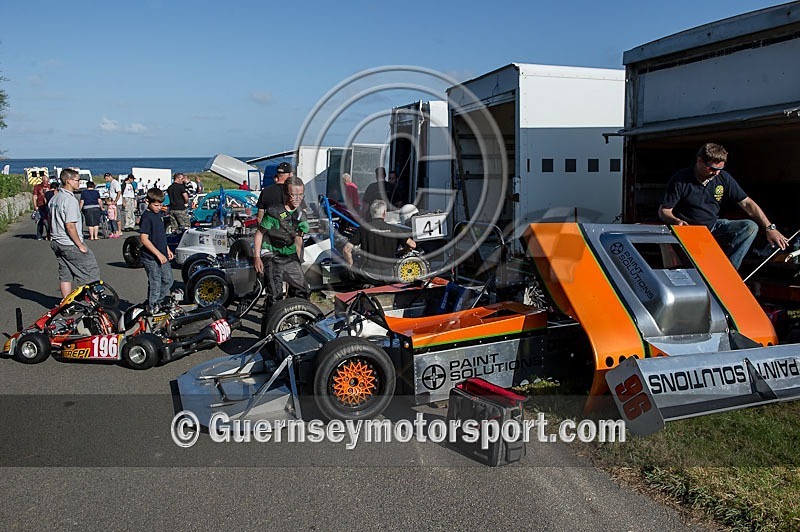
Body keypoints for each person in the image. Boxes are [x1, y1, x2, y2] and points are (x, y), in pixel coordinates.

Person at [658, 143, 789, 270]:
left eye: (720, 169)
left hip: (712, 227)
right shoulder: (680, 180)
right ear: (699, 161)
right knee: (697, 270)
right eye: (712, 169)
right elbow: (664, 211)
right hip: (689, 232)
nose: (716, 173)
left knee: (749, 226)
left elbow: (747, 203)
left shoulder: (723, 178)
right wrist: (677, 221)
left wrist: (769, 228)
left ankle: (728, 271)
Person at [253, 176, 310, 308]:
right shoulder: (274, 213)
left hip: (289, 253)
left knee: (303, 290)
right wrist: (257, 257)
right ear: (285, 194)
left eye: (301, 195)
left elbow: (299, 237)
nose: (297, 198)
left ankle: (294, 316)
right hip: (272, 253)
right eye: (293, 195)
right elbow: (259, 233)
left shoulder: (301, 214)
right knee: (275, 293)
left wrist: (298, 258)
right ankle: (270, 324)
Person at [48, 168, 101, 298]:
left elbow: (50, 220)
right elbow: (70, 226)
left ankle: (67, 304)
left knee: (65, 273)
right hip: (69, 242)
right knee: (91, 270)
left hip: (56, 241)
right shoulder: (69, 200)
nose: (79, 183)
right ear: (68, 181)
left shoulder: (54, 199)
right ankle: (95, 302)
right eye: (77, 180)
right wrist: (80, 245)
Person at [343, 199, 416, 282]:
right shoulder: (395, 229)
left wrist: (350, 266)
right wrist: (403, 251)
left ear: (371, 213)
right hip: (389, 275)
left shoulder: (363, 229)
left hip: (369, 275)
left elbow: (346, 250)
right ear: (384, 213)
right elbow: (412, 245)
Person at [138, 187, 174, 311]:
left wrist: (167, 249)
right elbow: (144, 239)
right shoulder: (147, 217)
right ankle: (152, 307)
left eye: (160, 205)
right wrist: (158, 254)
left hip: (162, 253)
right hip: (150, 257)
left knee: (168, 280)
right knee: (155, 283)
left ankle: (156, 301)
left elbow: (161, 235)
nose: (159, 207)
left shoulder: (158, 214)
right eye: (156, 205)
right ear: (148, 201)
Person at [104, 173, 123, 237]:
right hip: (113, 202)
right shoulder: (111, 183)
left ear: (110, 177)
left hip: (116, 203)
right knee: (113, 218)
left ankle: (119, 231)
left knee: (117, 217)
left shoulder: (115, 183)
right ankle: (114, 231)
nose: (106, 180)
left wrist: (115, 201)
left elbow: (119, 192)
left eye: (107, 178)